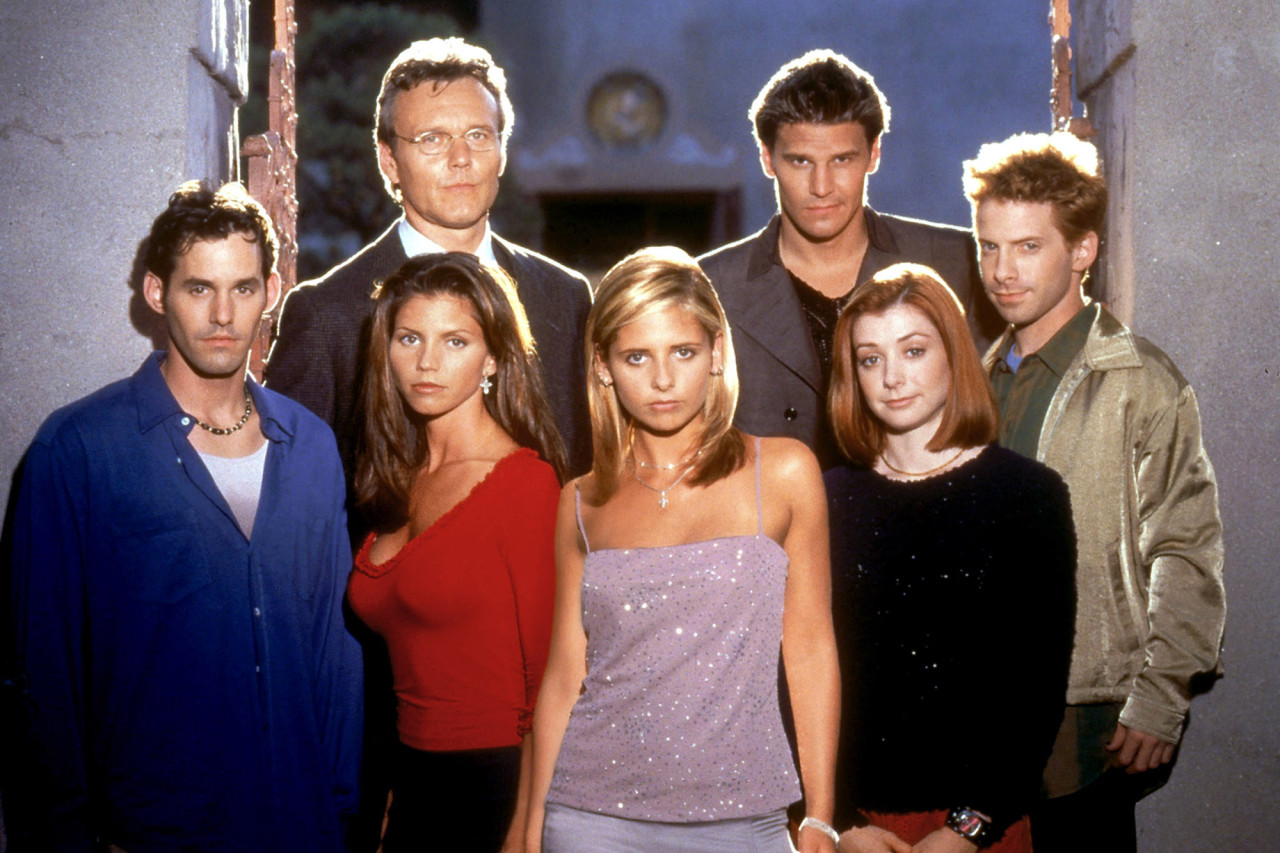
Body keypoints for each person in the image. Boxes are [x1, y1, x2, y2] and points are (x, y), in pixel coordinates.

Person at [9, 182, 363, 851]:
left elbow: (334, 654)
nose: (223, 314)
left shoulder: (312, 446)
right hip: (152, 832)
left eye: (243, 288)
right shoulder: (78, 449)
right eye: (199, 288)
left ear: (272, 291)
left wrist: (337, 811)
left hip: (300, 824)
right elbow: (41, 674)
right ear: (156, 292)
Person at [526, 246, 840, 853]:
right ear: (603, 367)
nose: (663, 380)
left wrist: (821, 815)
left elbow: (810, 649)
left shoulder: (784, 471)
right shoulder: (581, 501)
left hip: (745, 820)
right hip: (590, 817)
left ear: (717, 353)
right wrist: (530, 828)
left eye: (683, 352)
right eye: (636, 357)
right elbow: (565, 674)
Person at [964, 132, 1226, 852]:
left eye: (1028, 247)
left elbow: (1186, 546)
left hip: (1085, 715)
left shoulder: (1140, 381)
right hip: (980, 710)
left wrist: (1163, 694)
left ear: (1082, 250)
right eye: (989, 247)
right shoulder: (971, 382)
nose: (1002, 271)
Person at [823, 263, 1075, 853]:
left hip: (982, 825)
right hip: (853, 827)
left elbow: (1036, 690)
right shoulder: (825, 498)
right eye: (869, 359)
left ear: (953, 355)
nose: (891, 377)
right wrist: (840, 821)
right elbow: (797, 678)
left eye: (913, 351)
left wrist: (969, 828)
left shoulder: (1027, 494)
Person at [267, 36, 592, 491]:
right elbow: (293, 499)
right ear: (389, 161)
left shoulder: (566, 296)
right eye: (432, 139)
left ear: (502, 151)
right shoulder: (327, 314)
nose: (461, 159)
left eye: (478, 135)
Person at [345, 253, 566, 851]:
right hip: (412, 779)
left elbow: (550, 678)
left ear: (492, 357)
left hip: (495, 784)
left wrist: (526, 827)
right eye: (409, 338)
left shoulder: (524, 484)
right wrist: (397, 793)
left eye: (455, 341)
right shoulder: (397, 476)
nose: (427, 362)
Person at [699, 49, 1001, 469]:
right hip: (765, 510)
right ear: (768, 159)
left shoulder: (958, 262)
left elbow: (1004, 405)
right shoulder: (709, 286)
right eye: (800, 161)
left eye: (842, 159)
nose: (821, 186)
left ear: (874, 154)